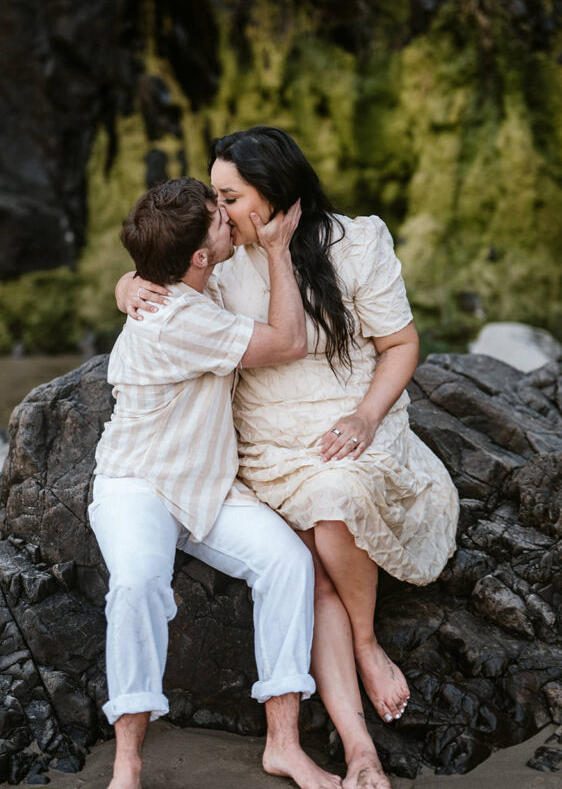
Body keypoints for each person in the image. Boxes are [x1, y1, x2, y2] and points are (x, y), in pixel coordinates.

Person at [117, 127, 460, 789]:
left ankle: (363, 645)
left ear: (274, 195)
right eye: (214, 199)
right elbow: (167, 271)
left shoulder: (357, 242)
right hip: (267, 439)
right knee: (312, 569)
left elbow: (402, 344)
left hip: (349, 416)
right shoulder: (221, 259)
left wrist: (365, 415)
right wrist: (127, 282)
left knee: (335, 499)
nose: (219, 212)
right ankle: (360, 747)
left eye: (230, 197)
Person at [91, 176, 343, 789]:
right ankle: (127, 761)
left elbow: (150, 275)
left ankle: (283, 744)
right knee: (137, 583)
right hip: (140, 482)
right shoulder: (176, 316)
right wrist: (280, 249)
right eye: (219, 219)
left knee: (288, 564)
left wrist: (125, 283)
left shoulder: (194, 281)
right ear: (199, 257)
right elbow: (287, 342)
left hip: (209, 483)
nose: (230, 219)